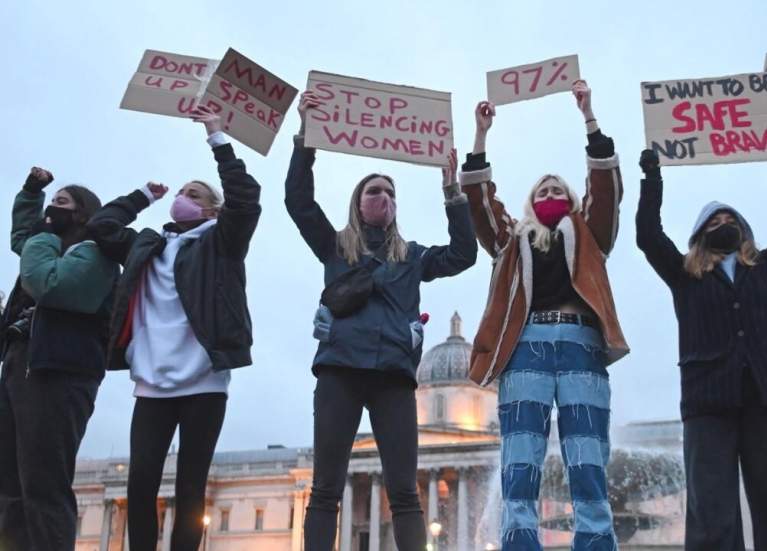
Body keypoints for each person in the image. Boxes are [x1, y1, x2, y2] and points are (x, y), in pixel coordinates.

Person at [286, 90, 477, 551]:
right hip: (340, 372)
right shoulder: (336, 248)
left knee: (405, 492)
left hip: (393, 377)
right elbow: (298, 202)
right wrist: (304, 140)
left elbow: (463, 254)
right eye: (375, 190)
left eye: (391, 192)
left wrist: (453, 192)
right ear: (358, 202)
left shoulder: (411, 257)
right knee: (326, 488)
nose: (385, 197)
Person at [461, 81, 628, 551]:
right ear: (530, 203)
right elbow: (480, 206)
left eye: (559, 188)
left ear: (573, 201)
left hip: (581, 346)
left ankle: (595, 544)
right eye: (542, 188)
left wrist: (589, 116)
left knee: (588, 456)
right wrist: (481, 137)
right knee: (519, 460)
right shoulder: (512, 241)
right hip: (525, 350)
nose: (551, 191)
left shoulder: (592, 236)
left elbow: (607, 190)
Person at [86, 105, 261, 551]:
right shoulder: (148, 243)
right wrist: (143, 194)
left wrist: (217, 137)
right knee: (141, 484)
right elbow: (100, 225)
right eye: (182, 191)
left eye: (195, 193)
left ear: (212, 209)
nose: (184, 196)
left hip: (204, 379)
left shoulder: (222, 243)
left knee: (190, 489)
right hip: (152, 381)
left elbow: (246, 198)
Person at [637, 128, 767, 549]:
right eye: (714, 223)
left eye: (730, 221)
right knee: (712, 510)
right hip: (707, 401)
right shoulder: (685, 275)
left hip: (766, 395)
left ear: (743, 229)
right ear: (700, 236)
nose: (723, 225)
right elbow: (648, 236)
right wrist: (652, 177)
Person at [0, 168, 116, 551]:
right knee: (9, 484)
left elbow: (52, 285)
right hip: (21, 363)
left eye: (61, 203)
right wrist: (31, 191)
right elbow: (22, 239)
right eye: (50, 204)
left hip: (59, 372)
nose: (52, 210)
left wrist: (44, 232)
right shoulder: (45, 245)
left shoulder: (96, 254)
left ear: (84, 214)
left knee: (43, 484)